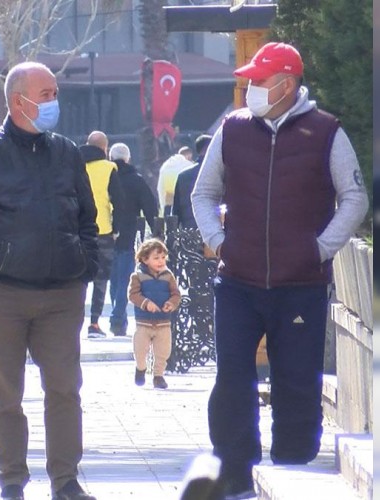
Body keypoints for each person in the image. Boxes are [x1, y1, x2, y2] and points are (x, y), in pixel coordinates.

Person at [191, 42, 368, 499]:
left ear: (286, 85)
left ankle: (292, 463)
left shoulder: (327, 132)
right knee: (231, 376)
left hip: (301, 283)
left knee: (296, 377)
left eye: (258, 81)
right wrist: (218, 240)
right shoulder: (232, 130)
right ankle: (233, 468)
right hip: (237, 281)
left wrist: (321, 248)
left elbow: (354, 198)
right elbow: (203, 193)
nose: (249, 88)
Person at [0, 61, 99, 500]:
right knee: (5, 397)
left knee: (65, 390)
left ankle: (66, 480)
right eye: (45, 94)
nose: (54, 102)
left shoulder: (66, 151)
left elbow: (88, 219)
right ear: (17, 101)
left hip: (62, 293)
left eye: (54, 93)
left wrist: (84, 266)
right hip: (1, 295)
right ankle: (12, 479)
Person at [107, 143, 157, 337]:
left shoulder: (107, 177)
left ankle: (117, 316)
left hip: (106, 233)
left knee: (113, 280)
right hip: (128, 235)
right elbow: (150, 206)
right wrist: (157, 232)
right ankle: (118, 319)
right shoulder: (136, 180)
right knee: (125, 279)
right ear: (128, 159)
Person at [79, 131, 125, 338]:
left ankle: (72, 324)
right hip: (102, 230)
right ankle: (94, 323)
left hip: (77, 230)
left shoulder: (75, 166)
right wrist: (117, 229)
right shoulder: (109, 168)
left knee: (77, 279)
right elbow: (118, 201)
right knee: (101, 279)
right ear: (105, 148)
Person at [127, 239, 180, 389]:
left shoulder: (168, 276)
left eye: (163, 258)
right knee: (140, 349)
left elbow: (176, 294)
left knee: (163, 351)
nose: (160, 261)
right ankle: (141, 368)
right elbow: (133, 295)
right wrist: (146, 303)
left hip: (163, 322)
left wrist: (171, 303)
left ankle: (158, 376)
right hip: (144, 322)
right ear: (145, 259)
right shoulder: (137, 276)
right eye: (156, 258)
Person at [171, 135, 212, 229]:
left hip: (189, 231)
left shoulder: (183, 176)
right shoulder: (219, 172)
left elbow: (176, 210)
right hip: (214, 230)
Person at [156, 146, 194, 216]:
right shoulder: (189, 166)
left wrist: (162, 204)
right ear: (188, 156)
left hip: (169, 202)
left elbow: (160, 187)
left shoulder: (166, 165)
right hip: (185, 204)